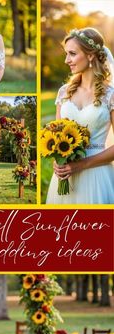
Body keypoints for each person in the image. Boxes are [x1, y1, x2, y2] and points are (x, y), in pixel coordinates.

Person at [46, 27, 114, 204]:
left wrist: (81, 164)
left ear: (90, 55)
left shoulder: (110, 95)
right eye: (66, 54)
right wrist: (57, 160)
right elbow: (55, 134)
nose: (66, 60)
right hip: (64, 177)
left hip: (97, 176)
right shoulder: (63, 93)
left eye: (72, 54)